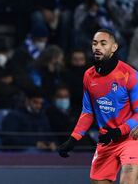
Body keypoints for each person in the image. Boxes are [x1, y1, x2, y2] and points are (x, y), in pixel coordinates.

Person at [58, 28, 138, 183]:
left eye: (103, 43)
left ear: (114, 48)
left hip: (130, 138)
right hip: (106, 140)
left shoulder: (130, 75)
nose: (97, 47)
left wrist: (118, 131)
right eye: (95, 43)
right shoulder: (89, 75)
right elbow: (88, 112)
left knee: (128, 178)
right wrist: (73, 139)